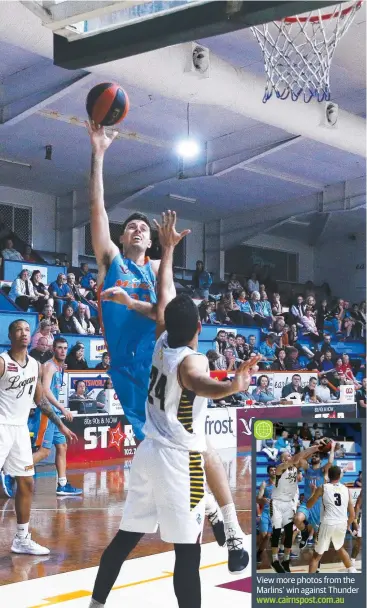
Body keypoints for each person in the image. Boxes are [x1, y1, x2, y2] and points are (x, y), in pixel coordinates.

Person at [87, 122, 251, 571]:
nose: (138, 229)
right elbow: (98, 208)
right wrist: (99, 153)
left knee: (200, 446)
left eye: (143, 226)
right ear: (122, 239)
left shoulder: (157, 270)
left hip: (166, 363)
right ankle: (219, 522)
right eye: (132, 227)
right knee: (184, 453)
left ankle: (230, 529)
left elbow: (167, 315)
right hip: (131, 375)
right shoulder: (112, 263)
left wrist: (163, 260)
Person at [88, 294, 259, 608]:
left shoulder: (160, 342)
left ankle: (95, 604)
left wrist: (166, 251)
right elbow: (198, 382)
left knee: (124, 541)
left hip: (148, 453)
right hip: (179, 463)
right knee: (188, 554)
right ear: (200, 326)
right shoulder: (193, 359)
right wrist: (233, 387)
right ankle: (218, 515)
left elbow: (165, 297)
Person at [0, 320, 77, 544]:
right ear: (10, 334)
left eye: (26, 329)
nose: (23, 333)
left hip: (20, 430)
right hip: (2, 426)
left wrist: (60, 423)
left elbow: (40, 399)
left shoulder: (34, 365)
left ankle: (22, 538)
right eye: (18, 329)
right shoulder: (3, 362)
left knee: (26, 482)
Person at [30, 337, 82, 496]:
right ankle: (12, 472)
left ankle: (62, 484)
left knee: (62, 446)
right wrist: (62, 408)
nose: (63, 351)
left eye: (65, 348)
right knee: (44, 452)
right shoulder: (50, 367)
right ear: (53, 349)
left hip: (55, 415)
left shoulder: (59, 367)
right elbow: (45, 390)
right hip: (47, 414)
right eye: (59, 347)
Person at [269, 442, 325, 573]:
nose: (291, 457)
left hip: (288, 503)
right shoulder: (280, 468)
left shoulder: (295, 468)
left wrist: (316, 447)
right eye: (288, 456)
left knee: (289, 533)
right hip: (277, 503)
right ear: (283, 459)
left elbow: (303, 460)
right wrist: (314, 447)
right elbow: (297, 458)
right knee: (277, 533)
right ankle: (274, 560)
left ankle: (286, 560)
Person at [307, 466, 357, 573]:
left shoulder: (323, 487)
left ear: (328, 475)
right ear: (339, 476)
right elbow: (352, 515)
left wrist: (313, 492)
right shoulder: (346, 489)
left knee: (316, 556)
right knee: (339, 548)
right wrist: (347, 525)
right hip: (342, 523)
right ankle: (352, 571)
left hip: (328, 523)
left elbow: (309, 505)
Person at [294, 442, 335, 549]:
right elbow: (301, 459)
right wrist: (313, 448)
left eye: (317, 455)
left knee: (319, 539)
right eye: (313, 455)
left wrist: (333, 447)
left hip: (319, 505)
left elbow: (330, 461)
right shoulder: (307, 469)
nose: (314, 456)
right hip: (307, 502)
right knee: (297, 519)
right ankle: (304, 533)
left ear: (320, 460)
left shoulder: (322, 470)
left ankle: (318, 561)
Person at [256, 465, 276, 563]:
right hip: (265, 512)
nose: (273, 471)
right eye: (271, 470)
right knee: (264, 536)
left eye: (274, 470)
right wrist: (262, 499)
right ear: (268, 472)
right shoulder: (264, 484)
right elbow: (257, 498)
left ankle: (259, 553)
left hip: (276, 514)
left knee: (268, 536)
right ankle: (260, 553)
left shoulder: (281, 484)